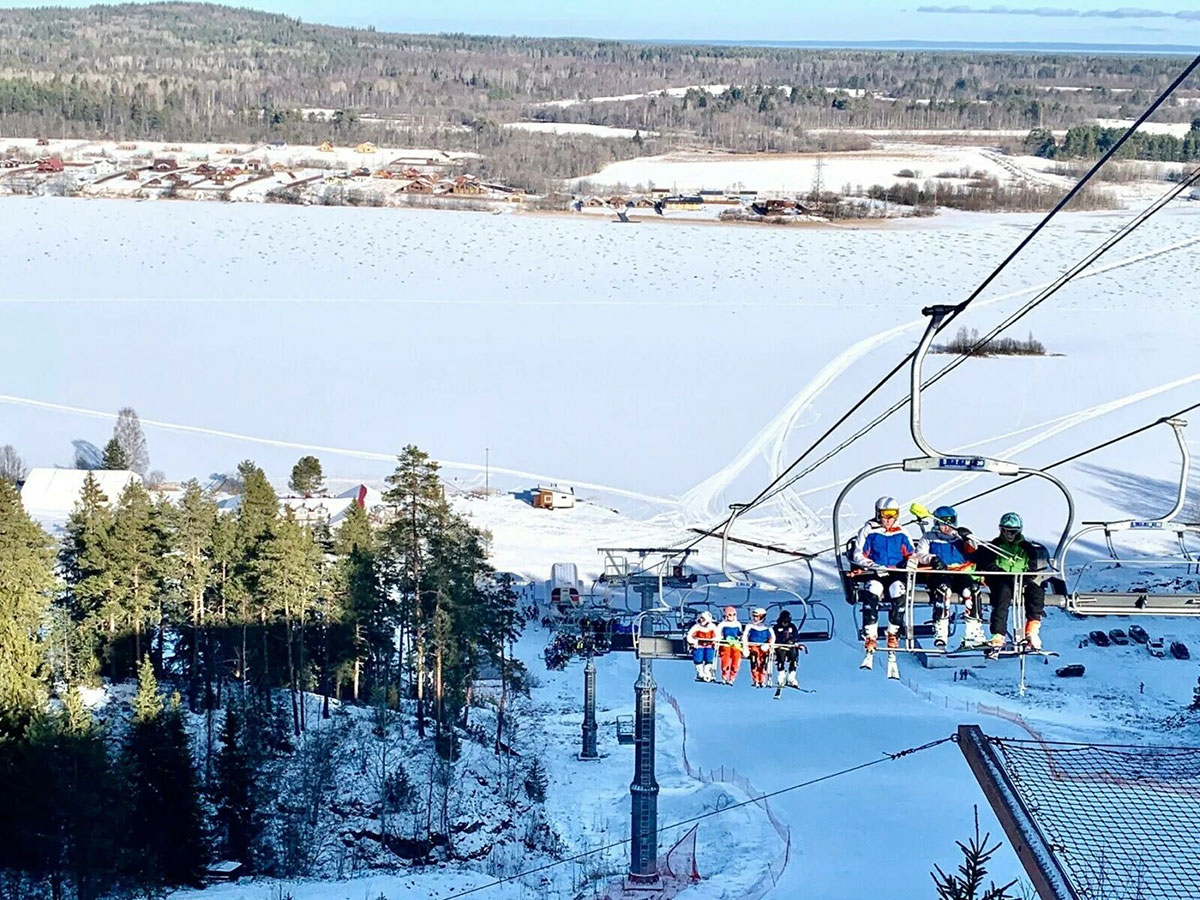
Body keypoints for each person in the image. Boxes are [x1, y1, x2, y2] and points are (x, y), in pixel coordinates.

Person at [850, 495, 916, 657]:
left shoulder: (901, 532)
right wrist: (873, 565)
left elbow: (912, 554)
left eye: (893, 514)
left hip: (896, 573)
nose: (889, 519)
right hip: (875, 572)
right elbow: (858, 554)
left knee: (898, 592)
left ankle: (893, 632)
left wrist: (910, 563)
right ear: (878, 513)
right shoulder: (869, 530)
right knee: (872, 591)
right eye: (886, 514)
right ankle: (870, 634)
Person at [973, 512, 1046, 655]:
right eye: (1005, 531)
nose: (1009, 534)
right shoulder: (995, 546)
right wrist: (1005, 575)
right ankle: (998, 635)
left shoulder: (1027, 548)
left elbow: (1032, 568)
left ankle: (1032, 631)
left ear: (1018, 531)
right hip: (1000, 580)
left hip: (1021, 580)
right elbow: (989, 565)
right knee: (1002, 597)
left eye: (1012, 531)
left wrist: (1023, 579)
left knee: (1036, 593)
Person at [914, 505, 982, 649]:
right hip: (939, 573)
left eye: (950, 524)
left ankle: (973, 632)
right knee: (944, 590)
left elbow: (974, 550)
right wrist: (932, 559)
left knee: (972, 590)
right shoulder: (929, 537)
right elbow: (920, 554)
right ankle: (941, 630)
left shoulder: (959, 537)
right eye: (943, 524)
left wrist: (968, 537)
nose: (946, 528)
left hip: (960, 572)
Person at [771, 609, 807, 688]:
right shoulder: (776, 627)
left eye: (787, 622)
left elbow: (796, 636)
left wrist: (792, 641)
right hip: (780, 646)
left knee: (794, 655)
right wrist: (780, 643)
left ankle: (791, 676)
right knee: (781, 656)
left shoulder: (792, 627)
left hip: (790, 646)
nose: (785, 623)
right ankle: (781, 676)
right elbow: (774, 637)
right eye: (784, 621)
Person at [742, 607, 775, 688]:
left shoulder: (767, 626)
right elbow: (744, 636)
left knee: (764, 661)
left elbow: (772, 637)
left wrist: (768, 645)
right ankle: (755, 679)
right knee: (754, 659)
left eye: (757, 617)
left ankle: (762, 679)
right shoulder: (750, 625)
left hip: (764, 646)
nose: (755, 618)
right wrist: (745, 647)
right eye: (754, 616)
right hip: (753, 645)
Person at [716, 606, 745, 685]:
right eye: (729, 614)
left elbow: (739, 634)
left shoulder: (737, 624)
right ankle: (725, 675)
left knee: (736, 660)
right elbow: (718, 634)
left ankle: (732, 677)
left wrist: (739, 639)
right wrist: (722, 639)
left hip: (735, 644)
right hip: (725, 644)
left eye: (733, 614)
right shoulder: (722, 625)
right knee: (726, 660)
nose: (731, 616)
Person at [686, 611, 717, 682]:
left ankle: (707, 671)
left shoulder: (712, 627)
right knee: (698, 656)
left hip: (709, 645)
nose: (701, 620)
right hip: (699, 645)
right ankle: (700, 672)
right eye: (701, 618)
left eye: (703, 619)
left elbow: (717, 635)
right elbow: (689, 636)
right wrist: (694, 642)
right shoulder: (696, 627)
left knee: (709, 656)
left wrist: (714, 641)